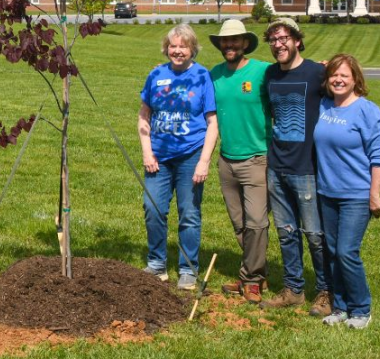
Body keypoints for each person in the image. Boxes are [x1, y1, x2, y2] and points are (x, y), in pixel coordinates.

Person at [137, 24, 218, 291]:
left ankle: (188, 268)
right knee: (153, 209)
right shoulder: (156, 75)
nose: (177, 51)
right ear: (166, 48)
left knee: (189, 213)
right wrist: (147, 151)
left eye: (183, 46)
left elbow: (212, 122)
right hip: (159, 157)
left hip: (190, 155)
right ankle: (157, 263)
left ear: (192, 49)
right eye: (173, 46)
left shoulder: (202, 76)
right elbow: (144, 115)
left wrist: (204, 160)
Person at [260, 17, 332, 317]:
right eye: (273, 40)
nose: (278, 44)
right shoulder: (270, 75)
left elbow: (345, 87)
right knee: (286, 232)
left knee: (315, 235)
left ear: (297, 40)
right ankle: (293, 290)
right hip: (277, 166)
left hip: (307, 167)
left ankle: (327, 291)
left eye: (283, 38)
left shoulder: (317, 72)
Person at [314, 54, 380, 330]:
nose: (338, 79)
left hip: (356, 195)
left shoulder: (366, 110)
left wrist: (375, 194)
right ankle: (341, 307)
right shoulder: (323, 105)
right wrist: (319, 67)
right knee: (333, 251)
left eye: (344, 75)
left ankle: (361, 308)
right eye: (334, 75)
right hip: (327, 192)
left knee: (347, 251)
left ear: (356, 78)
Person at [209, 20, 272, 304]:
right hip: (227, 161)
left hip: (258, 158)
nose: (230, 45)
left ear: (245, 43)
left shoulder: (261, 71)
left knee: (257, 222)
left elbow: (293, 80)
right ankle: (257, 273)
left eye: (235, 41)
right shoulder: (215, 75)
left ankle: (252, 279)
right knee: (240, 225)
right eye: (225, 41)